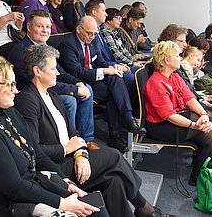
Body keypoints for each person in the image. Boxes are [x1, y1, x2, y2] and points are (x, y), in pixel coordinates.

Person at [15, 44, 175, 217]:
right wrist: (68, 149)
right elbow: (33, 150)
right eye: (53, 69)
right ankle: (144, 207)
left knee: (115, 181)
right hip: (55, 169)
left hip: (71, 159)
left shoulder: (52, 95)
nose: (58, 73)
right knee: (113, 156)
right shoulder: (27, 100)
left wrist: (80, 155)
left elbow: (73, 133)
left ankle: (141, 211)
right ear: (37, 71)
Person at [0, 54, 100, 217]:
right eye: (9, 85)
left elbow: (39, 157)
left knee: (94, 208)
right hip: (3, 208)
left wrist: (66, 183)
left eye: (15, 84)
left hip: (26, 196)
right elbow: (14, 187)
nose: (16, 90)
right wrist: (63, 203)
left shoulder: (9, 112)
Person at [143, 41, 212, 185]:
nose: (181, 59)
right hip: (160, 126)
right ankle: (197, 175)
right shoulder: (155, 83)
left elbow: (189, 98)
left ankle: (206, 160)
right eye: (177, 56)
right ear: (166, 60)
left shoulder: (174, 76)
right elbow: (168, 115)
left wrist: (204, 115)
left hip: (177, 114)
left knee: (210, 117)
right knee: (209, 135)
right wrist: (195, 125)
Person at [8, 10, 97, 150]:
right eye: (40, 26)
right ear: (29, 27)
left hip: (47, 90)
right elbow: (41, 84)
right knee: (70, 100)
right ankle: (67, 142)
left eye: (48, 27)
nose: (45, 31)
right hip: (32, 96)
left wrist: (77, 83)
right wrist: (75, 90)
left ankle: (86, 138)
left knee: (87, 88)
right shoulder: (21, 52)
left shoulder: (46, 48)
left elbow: (60, 73)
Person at [58, 16, 146, 152]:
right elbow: (77, 72)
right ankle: (122, 126)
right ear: (79, 29)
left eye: (95, 33)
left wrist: (114, 68)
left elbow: (100, 61)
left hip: (94, 79)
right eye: (89, 33)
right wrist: (106, 70)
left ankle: (122, 127)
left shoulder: (92, 42)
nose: (92, 36)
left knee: (115, 79)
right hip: (79, 81)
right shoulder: (68, 44)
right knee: (114, 87)